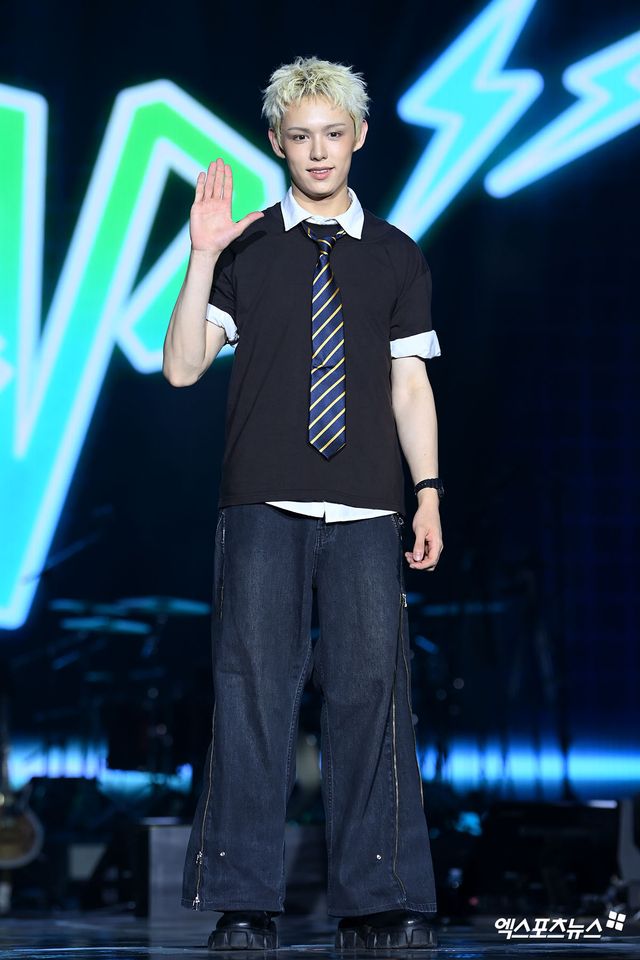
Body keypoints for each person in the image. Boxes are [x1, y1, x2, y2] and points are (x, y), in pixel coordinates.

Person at [163, 55, 443, 952]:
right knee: (250, 697)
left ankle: (381, 899)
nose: (318, 152)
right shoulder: (247, 248)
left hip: (367, 506)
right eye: (300, 137)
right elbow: (182, 368)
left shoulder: (396, 254)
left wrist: (427, 493)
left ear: (358, 137)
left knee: (373, 699)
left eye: (332, 134)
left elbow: (410, 386)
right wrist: (203, 255)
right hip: (262, 502)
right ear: (277, 143)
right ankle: (244, 902)